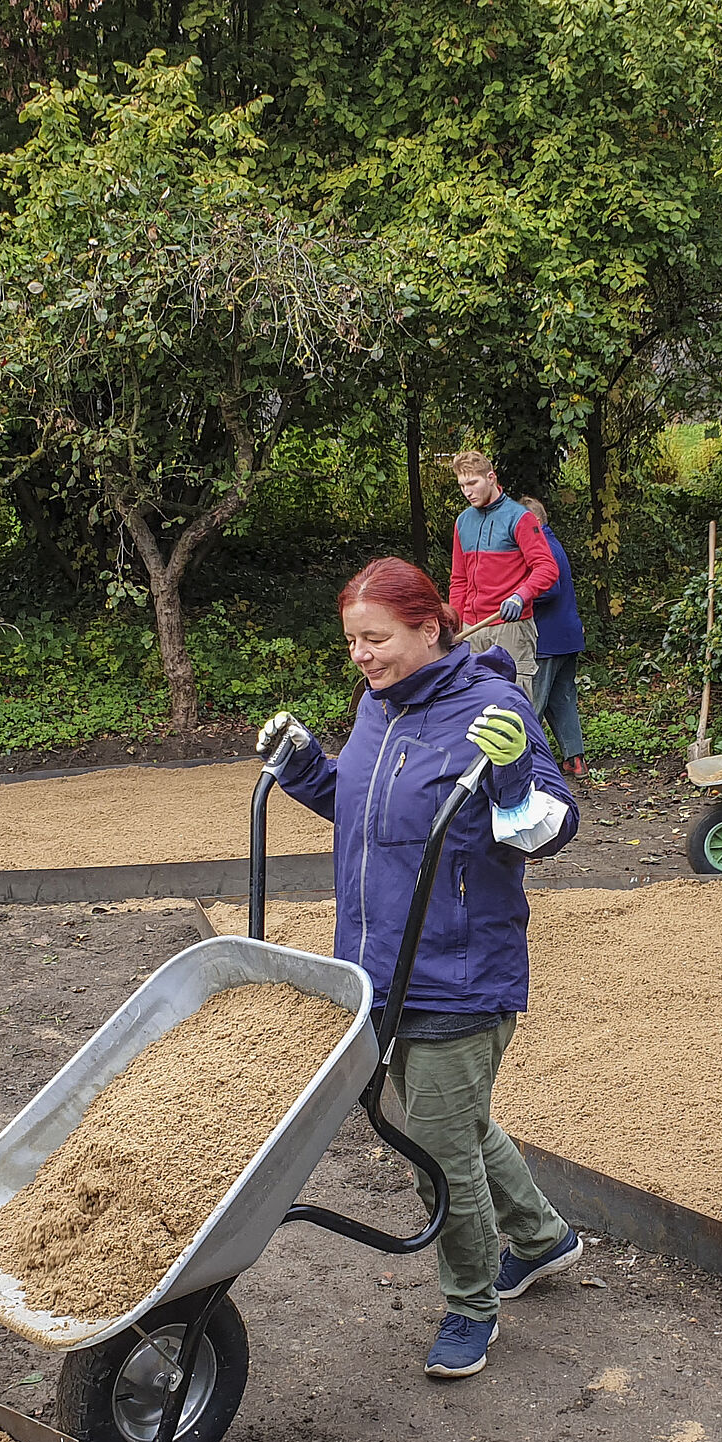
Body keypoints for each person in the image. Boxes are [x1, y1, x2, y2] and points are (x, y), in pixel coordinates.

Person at [258, 557, 584, 1380]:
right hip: (377, 967)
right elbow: (371, 812)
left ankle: (472, 1305)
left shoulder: (493, 707)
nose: (361, 656)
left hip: (459, 972)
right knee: (454, 1127)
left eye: (376, 638)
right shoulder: (377, 706)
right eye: (352, 643)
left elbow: (548, 830)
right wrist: (305, 769)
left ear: (429, 628)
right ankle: (545, 1240)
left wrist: (512, 774)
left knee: (435, 1146)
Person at [447, 451, 558, 693]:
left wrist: (522, 595)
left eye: (473, 483)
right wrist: (454, 624)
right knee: (471, 703)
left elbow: (547, 568)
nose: (467, 491)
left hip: (510, 626)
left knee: (513, 705)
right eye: (462, 485)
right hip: (470, 629)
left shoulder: (520, 518)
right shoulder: (463, 522)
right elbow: (459, 580)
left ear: (490, 477)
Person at [517, 496, 586, 778]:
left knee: (532, 704)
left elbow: (549, 589)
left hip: (546, 640)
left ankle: (526, 766)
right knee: (563, 700)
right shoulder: (554, 543)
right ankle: (574, 759)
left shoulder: (540, 547)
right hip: (568, 637)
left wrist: (518, 597)